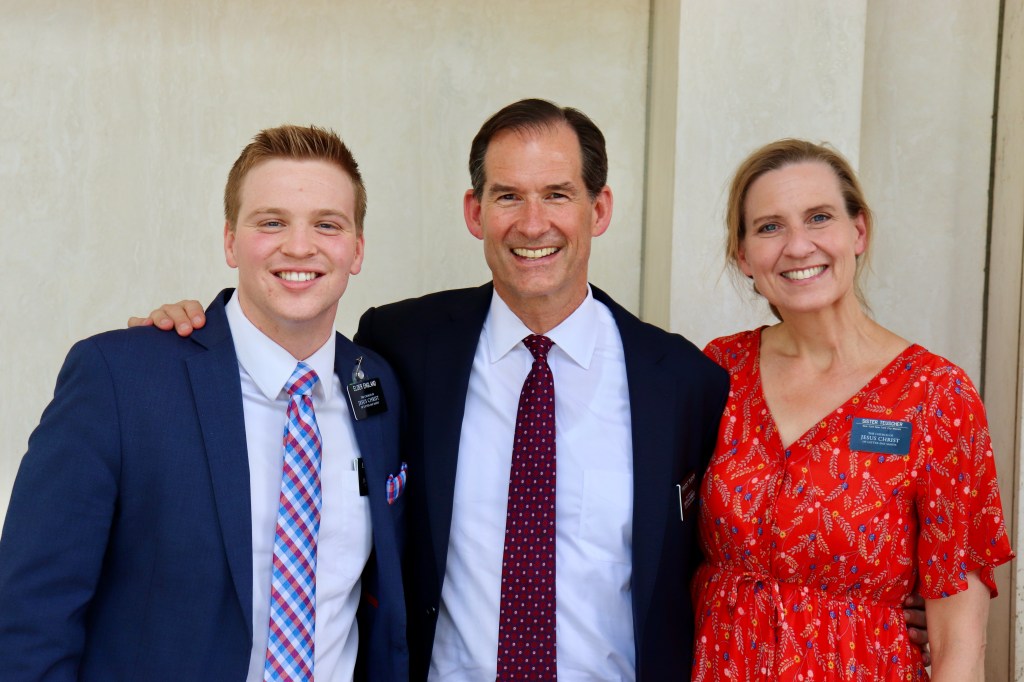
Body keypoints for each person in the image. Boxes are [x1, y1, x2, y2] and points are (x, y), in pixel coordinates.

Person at [126, 102, 931, 679]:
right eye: (508, 196)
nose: (533, 222)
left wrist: (874, 604)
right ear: (474, 212)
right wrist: (192, 334)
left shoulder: (684, 380)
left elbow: (732, 535)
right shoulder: (403, 345)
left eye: (558, 195)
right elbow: (288, 356)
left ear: (599, 209)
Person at [0, 125, 408, 681]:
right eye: (271, 222)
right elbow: (30, 615)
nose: (299, 247)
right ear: (230, 240)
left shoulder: (379, 385)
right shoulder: (121, 378)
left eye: (327, 225)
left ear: (356, 249)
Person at [692, 139, 1014, 681]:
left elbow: (960, 644)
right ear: (743, 254)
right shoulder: (719, 372)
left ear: (858, 232)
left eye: (819, 218)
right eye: (769, 227)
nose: (799, 246)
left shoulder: (935, 396)